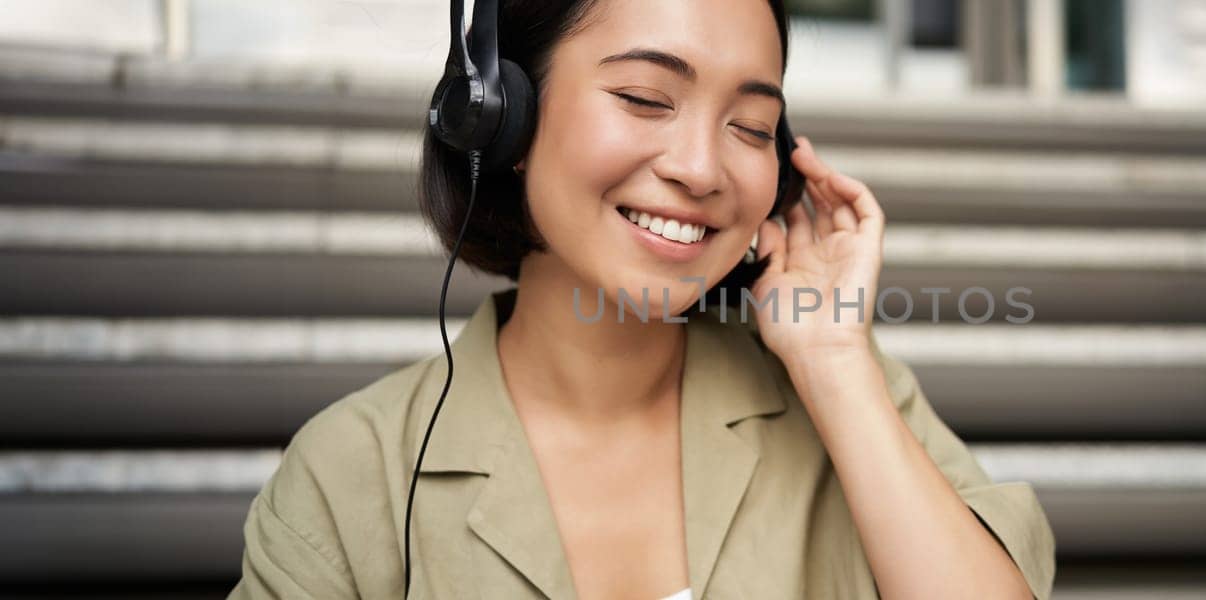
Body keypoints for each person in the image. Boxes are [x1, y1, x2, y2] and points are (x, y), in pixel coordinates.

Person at [228, 1, 1055, 598]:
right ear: (502, 120)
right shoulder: (350, 477)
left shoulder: (854, 400)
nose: (701, 168)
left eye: (752, 126)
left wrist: (833, 359)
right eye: (644, 99)